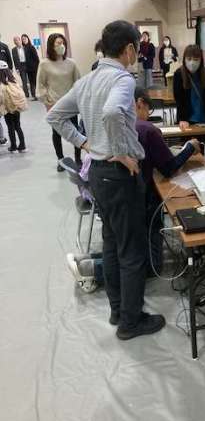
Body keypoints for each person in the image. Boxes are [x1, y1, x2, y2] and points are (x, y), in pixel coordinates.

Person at [47, 19, 165, 340]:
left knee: (112, 244)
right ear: (129, 49)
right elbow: (113, 113)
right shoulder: (122, 79)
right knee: (132, 251)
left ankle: (118, 310)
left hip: (98, 174)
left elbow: (54, 116)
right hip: (119, 174)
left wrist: (85, 143)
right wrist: (122, 151)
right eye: (136, 50)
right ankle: (131, 322)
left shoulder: (87, 80)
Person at [66, 88, 201, 291]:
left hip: (106, 191)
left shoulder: (106, 123)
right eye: (148, 109)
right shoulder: (147, 129)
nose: (148, 115)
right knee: (150, 265)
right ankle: (91, 269)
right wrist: (190, 147)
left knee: (125, 244)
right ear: (139, 103)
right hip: (137, 199)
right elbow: (168, 168)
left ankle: (87, 260)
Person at [36, 33, 82, 171]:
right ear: (51, 45)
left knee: (75, 131)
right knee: (57, 133)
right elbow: (40, 85)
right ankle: (60, 160)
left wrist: (79, 100)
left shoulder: (71, 63)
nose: (61, 45)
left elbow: (78, 82)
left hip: (71, 104)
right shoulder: (44, 64)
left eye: (63, 43)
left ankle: (78, 158)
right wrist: (47, 102)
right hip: (54, 104)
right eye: (58, 43)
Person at [173, 44, 205, 130]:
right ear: (184, 60)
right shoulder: (179, 74)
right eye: (189, 59)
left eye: (196, 59)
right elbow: (179, 99)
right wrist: (182, 119)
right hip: (187, 120)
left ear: (201, 60)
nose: (192, 62)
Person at [0, 60, 27, 153]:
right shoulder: (14, 80)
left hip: (8, 109)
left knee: (10, 127)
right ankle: (22, 146)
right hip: (17, 107)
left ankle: (13, 146)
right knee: (18, 126)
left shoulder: (1, 84)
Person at [21, 34, 39, 100]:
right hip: (28, 69)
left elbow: (36, 58)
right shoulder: (23, 48)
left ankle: (38, 95)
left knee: (35, 82)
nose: (24, 40)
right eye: (22, 39)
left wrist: (37, 67)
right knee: (31, 82)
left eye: (25, 39)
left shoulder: (31, 47)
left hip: (34, 68)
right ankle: (34, 95)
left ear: (28, 39)